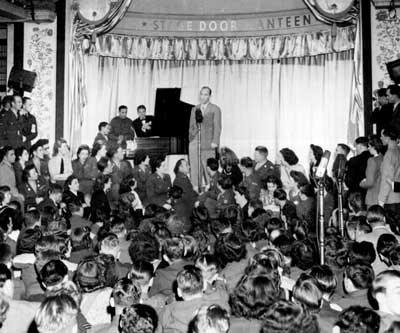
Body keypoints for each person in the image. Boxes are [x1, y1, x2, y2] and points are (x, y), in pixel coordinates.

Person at [161, 265, 229, 333]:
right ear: (204, 286)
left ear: (179, 292)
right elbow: (222, 294)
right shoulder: (220, 304)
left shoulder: (169, 310)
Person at [189, 87, 222, 189]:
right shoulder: (195, 109)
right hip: (195, 142)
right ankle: (195, 188)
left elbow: (218, 126)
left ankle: (211, 188)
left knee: (208, 167)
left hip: (208, 143)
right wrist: (192, 137)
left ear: (210, 96)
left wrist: (215, 141)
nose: (203, 97)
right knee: (195, 168)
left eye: (205, 94)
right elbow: (191, 126)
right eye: (201, 94)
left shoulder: (215, 109)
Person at [379, 127, 400, 213]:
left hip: (390, 199)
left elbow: (386, 179)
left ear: (387, 137)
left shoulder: (389, 154)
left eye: (382, 136)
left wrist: (381, 200)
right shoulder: (398, 151)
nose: (380, 138)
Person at [360, 135, 384, 207]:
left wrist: (361, 183)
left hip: (372, 198)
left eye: (369, 146)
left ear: (374, 147)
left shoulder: (371, 160)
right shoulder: (382, 157)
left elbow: (369, 182)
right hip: (381, 196)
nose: (368, 148)